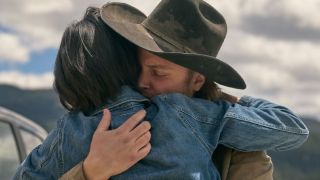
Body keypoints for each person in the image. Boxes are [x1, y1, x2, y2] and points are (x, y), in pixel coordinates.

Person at [14, 2, 308, 180]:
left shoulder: (240, 148)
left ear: (197, 81)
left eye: (159, 73)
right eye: (138, 68)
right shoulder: (204, 117)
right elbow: (291, 127)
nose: (142, 81)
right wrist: (92, 170)